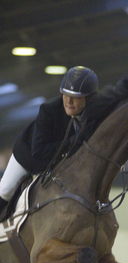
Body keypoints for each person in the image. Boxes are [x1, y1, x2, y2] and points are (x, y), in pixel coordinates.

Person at [0, 65, 99, 213]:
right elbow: (39, 152)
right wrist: (73, 141)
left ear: (89, 99)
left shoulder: (94, 117)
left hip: (59, 167)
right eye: (66, 95)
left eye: (76, 97)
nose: (69, 101)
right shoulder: (49, 110)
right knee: (5, 190)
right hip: (29, 157)